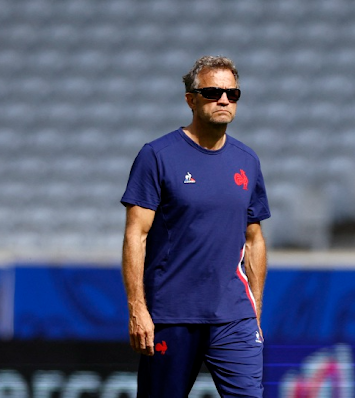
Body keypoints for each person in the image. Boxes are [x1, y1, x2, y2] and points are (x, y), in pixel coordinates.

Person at [120, 55, 271, 397]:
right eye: (213, 92)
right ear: (190, 99)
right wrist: (137, 309)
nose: (223, 100)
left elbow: (254, 239)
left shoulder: (247, 161)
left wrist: (254, 308)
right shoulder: (157, 156)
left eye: (232, 94)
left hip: (234, 316)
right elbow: (136, 234)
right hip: (172, 314)